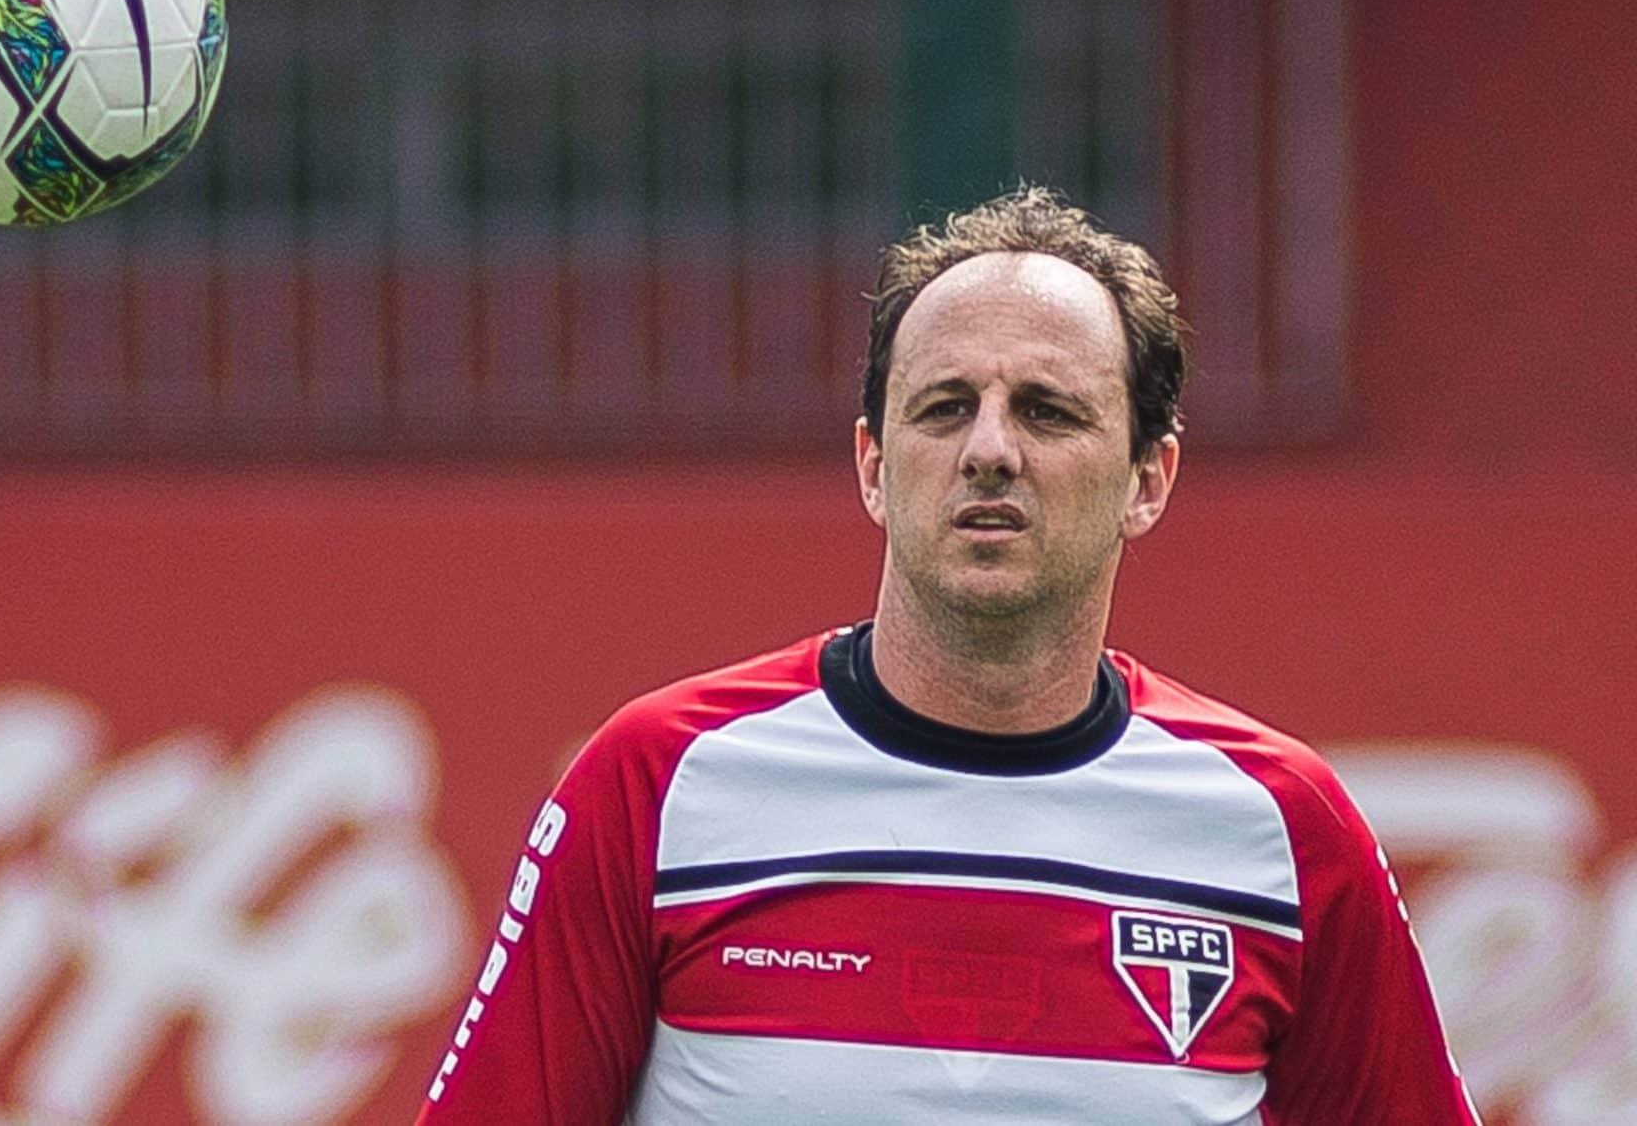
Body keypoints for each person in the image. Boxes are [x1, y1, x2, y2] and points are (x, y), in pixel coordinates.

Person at [414, 187, 1479, 1124]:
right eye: (942, 407)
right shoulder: (656, 781)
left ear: (1146, 479)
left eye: (1047, 410)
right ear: (873, 465)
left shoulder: (1283, 827)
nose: (987, 449)